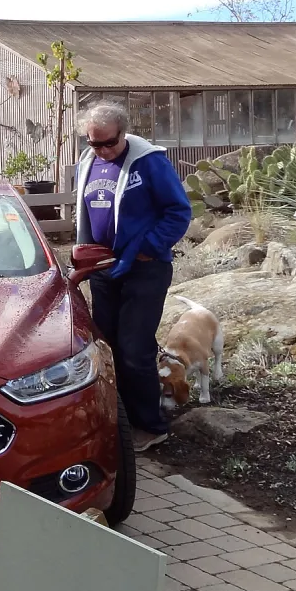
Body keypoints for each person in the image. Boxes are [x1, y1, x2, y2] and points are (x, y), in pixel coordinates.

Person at [75, 101, 192, 453]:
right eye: (93, 143)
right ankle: (117, 420)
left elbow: (178, 211)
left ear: (123, 133)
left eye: (108, 143)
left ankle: (151, 426)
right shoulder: (89, 162)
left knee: (134, 348)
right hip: (104, 269)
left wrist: (148, 247)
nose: (101, 150)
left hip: (144, 269)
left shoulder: (149, 162)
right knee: (107, 347)